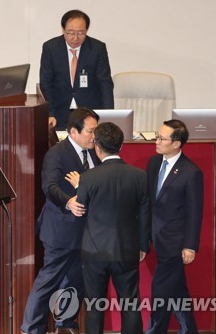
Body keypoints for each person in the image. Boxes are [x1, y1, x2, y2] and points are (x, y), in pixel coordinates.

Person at [21, 108, 100, 334]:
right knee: (49, 281)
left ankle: (65, 324)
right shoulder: (58, 153)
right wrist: (68, 202)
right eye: (90, 131)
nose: (94, 136)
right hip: (61, 230)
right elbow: (50, 186)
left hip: (87, 233)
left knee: (76, 281)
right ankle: (31, 329)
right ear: (73, 131)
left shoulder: (95, 152)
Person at [72, 122, 150, 334]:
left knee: (94, 307)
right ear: (121, 145)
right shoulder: (140, 176)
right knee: (130, 304)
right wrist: (143, 245)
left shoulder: (88, 177)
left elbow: (81, 208)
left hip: (94, 251)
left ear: (97, 147)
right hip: (127, 249)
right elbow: (144, 214)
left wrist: (79, 188)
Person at [145, 120, 203, 334]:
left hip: (175, 243)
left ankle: (154, 330)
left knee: (160, 291)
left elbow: (195, 212)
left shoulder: (191, 172)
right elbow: (149, 203)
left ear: (177, 143)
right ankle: (189, 330)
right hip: (155, 237)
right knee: (176, 289)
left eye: (162, 138)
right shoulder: (153, 163)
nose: (156, 141)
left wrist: (190, 245)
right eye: (157, 136)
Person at [39, 9, 114, 130]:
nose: (75, 38)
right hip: (59, 112)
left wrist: (109, 116)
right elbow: (46, 83)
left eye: (81, 33)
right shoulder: (50, 48)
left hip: (89, 113)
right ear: (63, 30)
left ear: (86, 31)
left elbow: (105, 83)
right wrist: (50, 113)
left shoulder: (97, 48)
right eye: (71, 33)